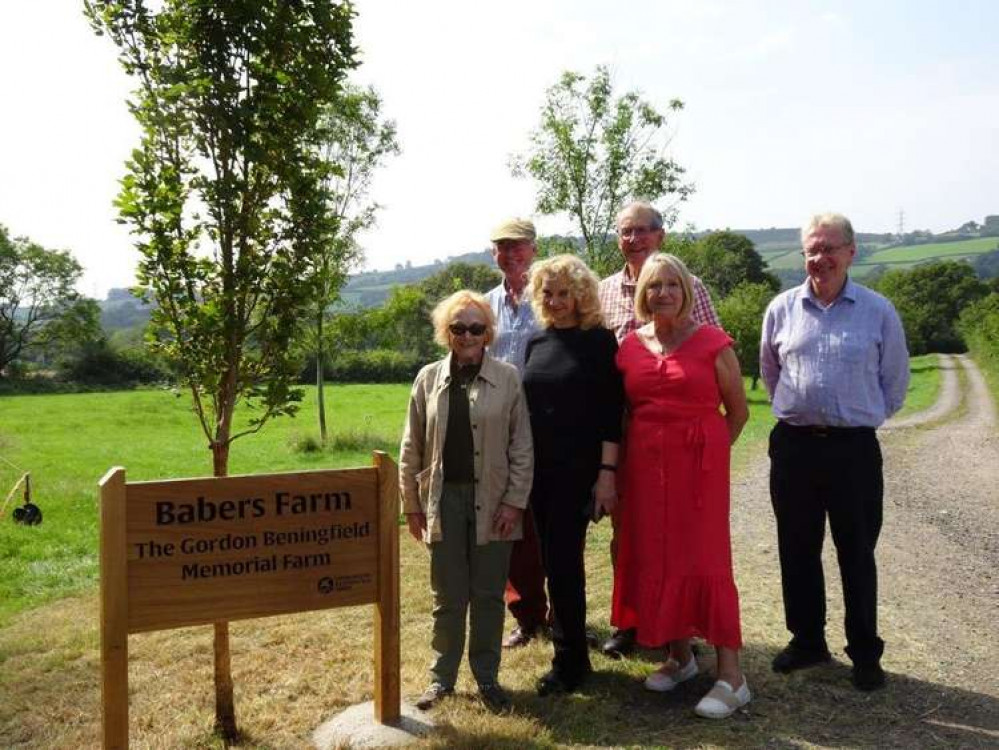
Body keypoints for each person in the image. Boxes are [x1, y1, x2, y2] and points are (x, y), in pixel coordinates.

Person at [760, 213, 909, 691]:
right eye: (812, 250)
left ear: (851, 252)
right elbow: (770, 371)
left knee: (856, 551)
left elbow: (895, 382)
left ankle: (865, 651)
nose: (819, 259)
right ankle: (807, 641)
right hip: (794, 447)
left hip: (853, 451)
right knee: (797, 548)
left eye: (829, 249)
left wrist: (857, 417)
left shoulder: (878, 310)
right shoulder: (782, 308)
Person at [612, 253, 751, 719]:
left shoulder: (713, 342)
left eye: (673, 284)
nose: (664, 293)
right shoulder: (630, 346)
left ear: (687, 292)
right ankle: (681, 657)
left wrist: (708, 457)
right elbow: (625, 414)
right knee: (658, 555)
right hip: (644, 473)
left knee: (706, 560)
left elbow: (738, 412)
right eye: (654, 285)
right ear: (642, 295)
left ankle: (732, 676)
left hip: (699, 475)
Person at [399, 290, 534, 712]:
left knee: (489, 595)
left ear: (488, 332)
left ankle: (488, 679)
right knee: (448, 597)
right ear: (446, 332)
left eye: (476, 327)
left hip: (494, 501)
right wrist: (411, 504)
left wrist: (514, 502)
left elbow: (522, 447)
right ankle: (441, 679)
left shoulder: (509, 377)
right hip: (443, 502)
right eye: (458, 327)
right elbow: (411, 446)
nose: (467, 335)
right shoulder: (427, 379)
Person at [597, 201, 721, 659]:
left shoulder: (690, 285)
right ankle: (633, 620)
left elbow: (714, 351)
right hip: (623, 429)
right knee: (628, 532)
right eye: (626, 232)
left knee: (681, 531)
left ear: (661, 235)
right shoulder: (604, 291)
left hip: (675, 431)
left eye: (643, 231)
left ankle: (682, 624)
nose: (635, 239)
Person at [521, 255, 623, 696]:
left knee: (563, 565)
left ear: (581, 295)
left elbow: (610, 416)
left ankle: (570, 663)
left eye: (565, 293)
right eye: (549, 292)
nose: (557, 301)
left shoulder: (600, 342)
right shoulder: (535, 343)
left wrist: (606, 475)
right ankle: (573, 650)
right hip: (536, 473)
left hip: (577, 472)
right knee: (552, 563)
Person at [485, 218, 552, 649]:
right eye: (503, 247)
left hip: (544, 422)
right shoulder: (485, 303)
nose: (511, 254)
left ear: (533, 248)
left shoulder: (549, 296)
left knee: (547, 522)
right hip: (500, 427)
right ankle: (526, 616)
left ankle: (560, 613)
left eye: (519, 246)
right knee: (510, 523)